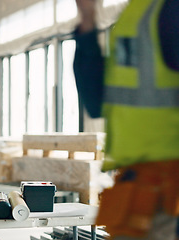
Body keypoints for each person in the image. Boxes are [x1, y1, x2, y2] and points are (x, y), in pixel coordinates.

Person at [74, 0, 179, 239]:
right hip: (139, 190)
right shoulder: (135, 14)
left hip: (169, 195)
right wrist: (87, 22)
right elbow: (97, 102)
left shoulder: (170, 9)